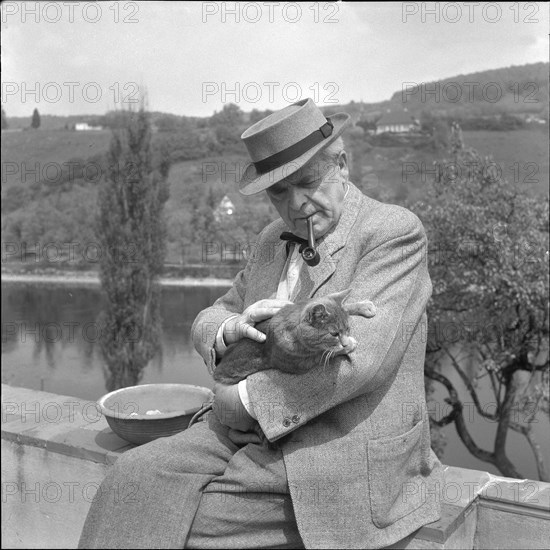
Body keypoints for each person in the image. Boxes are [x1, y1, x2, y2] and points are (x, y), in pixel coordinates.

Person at [79, 98, 442, 549]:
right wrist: (230, 329)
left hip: (332, 450)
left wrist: (241, 400)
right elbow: (213, 313)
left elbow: (363, 361)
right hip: (242, 436)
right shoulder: (271, 240)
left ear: (342, 165)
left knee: (176, 520)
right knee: (129, 481)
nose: (296, 205)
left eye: (308, 182)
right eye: (278, 192)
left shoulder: (392, 232)